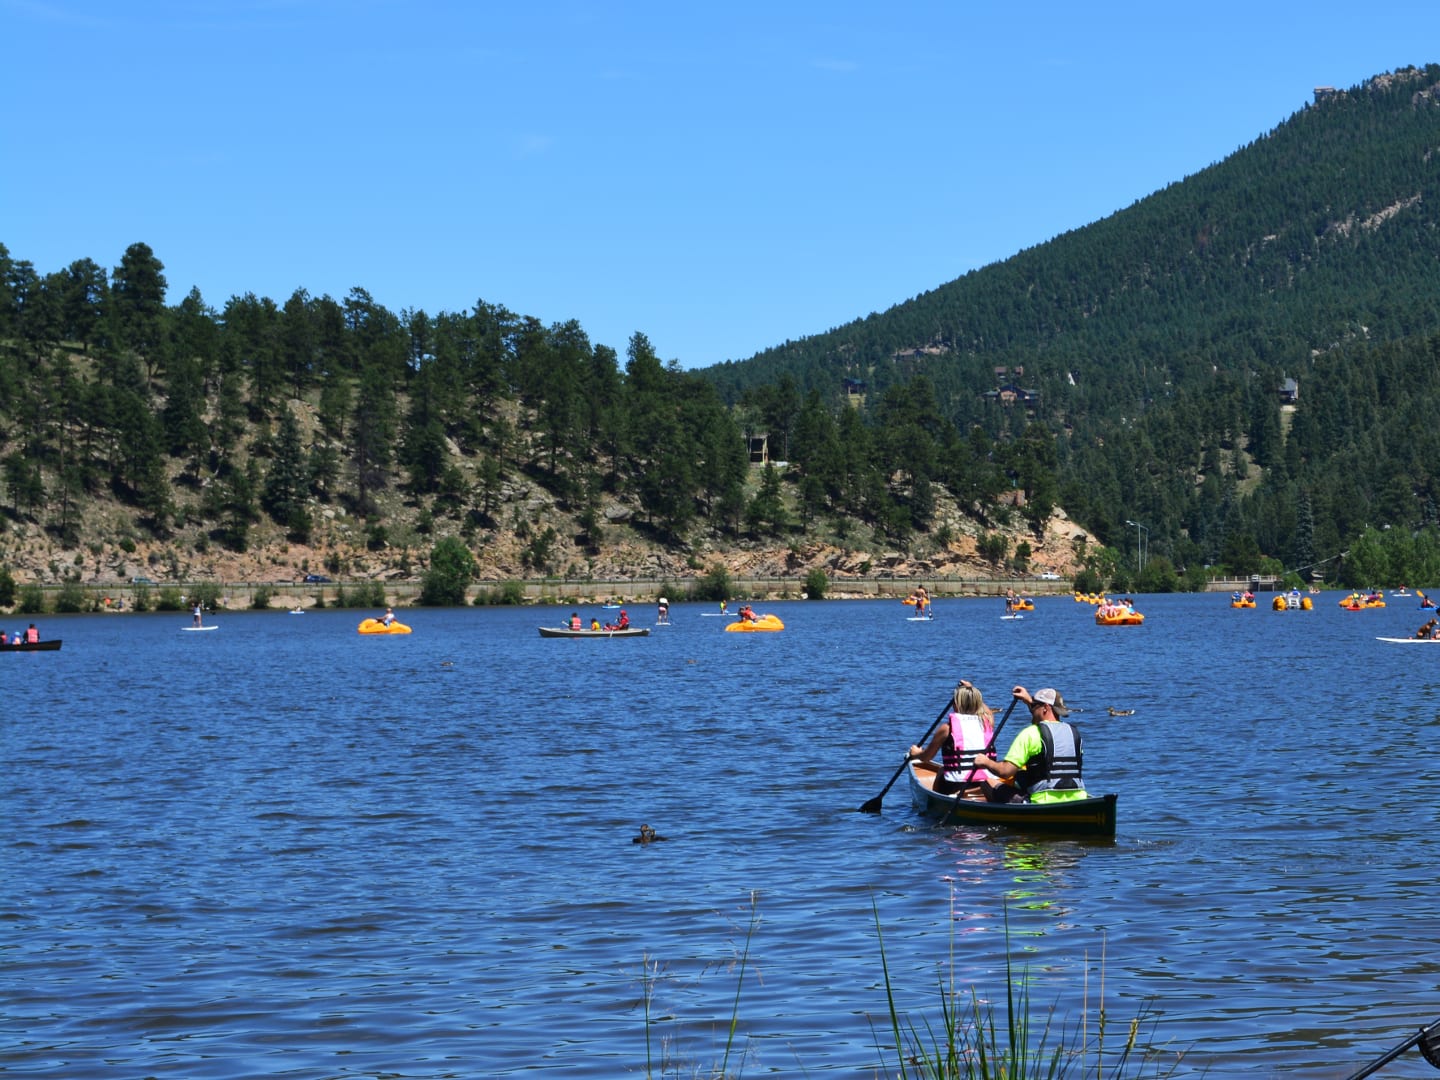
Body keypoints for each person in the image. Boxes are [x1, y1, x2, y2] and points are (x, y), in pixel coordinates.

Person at [972, 686, 1090, 805]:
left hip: (1042, 801)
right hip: (1078, 798)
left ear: (1046, 708)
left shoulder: (1030, 733)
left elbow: (1005, 771)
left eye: (1035, 706)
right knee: (1021, 775)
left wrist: (985, 762)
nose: (1032, 710)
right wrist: (1029, 700)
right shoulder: (1074, 733)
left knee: (987, 783)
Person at [907, 681, 997, 797]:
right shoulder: (988, 722)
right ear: (978, 703)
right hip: (985, 784)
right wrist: (971, 689)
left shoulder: (946, 728)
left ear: (955, 705)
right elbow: (987, 711)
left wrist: (917, 753)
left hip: (957, 785)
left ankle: (935, 801)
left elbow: (926, 757)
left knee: (941, 771)